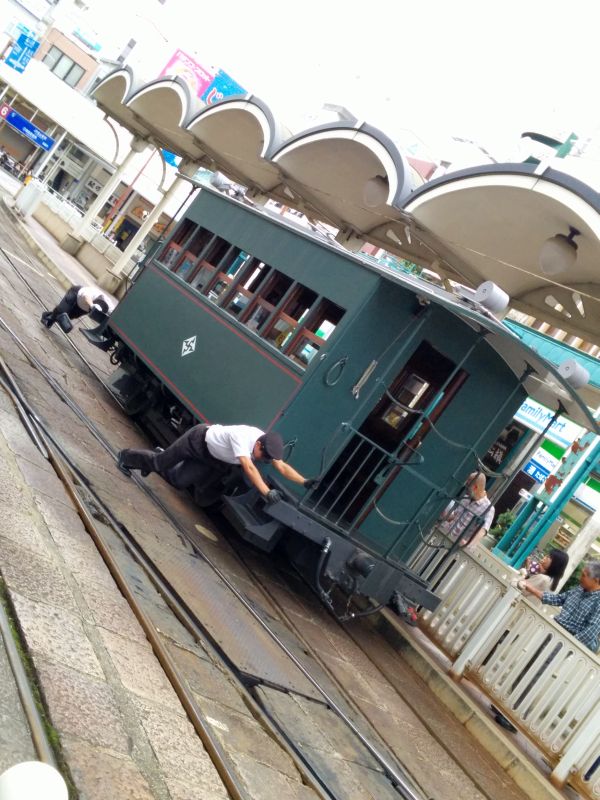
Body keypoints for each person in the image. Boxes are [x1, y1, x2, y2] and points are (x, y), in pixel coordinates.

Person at [117, 424, 318, 503]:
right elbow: (248, 467)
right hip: (197, 441)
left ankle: (159, 458)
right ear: (258, 444)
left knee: (178, 481)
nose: (261, 460)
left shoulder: (266, 446)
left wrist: (304, 481)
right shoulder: (244, 437)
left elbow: (281, 466)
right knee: (159, 463)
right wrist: (267, 492)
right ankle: (126, 457)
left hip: (212, 458)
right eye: (261, 456)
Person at [521, 560, 600, 652]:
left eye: (584, 575)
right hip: (553, 629)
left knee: (544, 664)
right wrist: (531, 588)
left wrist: (568, 645)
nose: (580, 577)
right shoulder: (578, 589)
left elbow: (591, 631)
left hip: (566, 641)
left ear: (596, 580)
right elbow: (557, 599)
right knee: (532, 656)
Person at [439, 471, 495, 550]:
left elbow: (482, 531)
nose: (466, 487)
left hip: (456, 547)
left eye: (468, 485)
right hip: (444, 536)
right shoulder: (466, 498)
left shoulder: (488, 508)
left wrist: (467, 544)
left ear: (475, 487)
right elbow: (454, 517)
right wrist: (444, 514)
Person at [41, 285, 110, 331]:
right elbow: (86, 296)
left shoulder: (109, 306)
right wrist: (92, 305)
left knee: (66, 317)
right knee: (62, 311)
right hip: (76, 293)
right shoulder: (92, 293)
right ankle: (48, 318)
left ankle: (49, 316)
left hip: (83, 308)